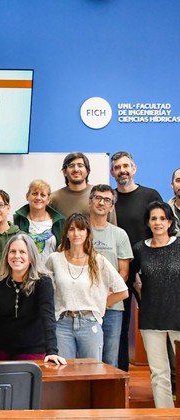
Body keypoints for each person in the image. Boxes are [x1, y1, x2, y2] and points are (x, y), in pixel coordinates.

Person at [45, 213, 128, 360]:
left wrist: (100, 305)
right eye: (72, 229)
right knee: (63, 369)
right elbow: (44, 287)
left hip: (89, 323)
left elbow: (122, 291)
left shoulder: (98, 260)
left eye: (81, 229)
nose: (76, 233)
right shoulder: (55, 259)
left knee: (92, 369)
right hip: (62, 323)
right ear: (66, 233)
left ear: (87, 233)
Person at [110, 151, 163, 371]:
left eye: (125, 166)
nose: (122, 171)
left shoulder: (150, 195)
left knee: (156, 324)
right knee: (119, 327)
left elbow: (160, 230)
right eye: (117, 168)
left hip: (147, 269)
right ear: (112, 172)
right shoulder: (109, 199)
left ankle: (165, 374)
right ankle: (121, 375)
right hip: (118, 271)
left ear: (134, 168)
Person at [0, 234, 66, 365]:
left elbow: (47, 316)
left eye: (22, 252)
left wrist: (52, 351)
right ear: (6, 256)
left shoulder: (43, 282)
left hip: (32, 349)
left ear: (31, 257)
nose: (17, 256)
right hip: (0, 348)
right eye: (12, 251)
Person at [132, 201, 180, 408]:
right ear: (148, 222)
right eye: (153, 219)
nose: (158, 223)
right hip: (151, 318)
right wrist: (141, 299)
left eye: (162, 218)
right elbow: (130, 279)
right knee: (159, 373)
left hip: (178, 317)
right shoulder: (140, 249)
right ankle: (165, 414)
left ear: (170, 222)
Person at [88, 184, 132, 368]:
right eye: (97, 198)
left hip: (112, 306)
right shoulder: (79, 231)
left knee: (110, 360)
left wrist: (107, 297)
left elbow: (124, 272)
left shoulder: (119, 234)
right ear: (90, 201)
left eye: (107, 200)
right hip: (86, 306)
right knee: (87, 360)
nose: (101, 203)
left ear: (112, 206)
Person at [50, 152, 116, 223]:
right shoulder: (53, 198)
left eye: (80, 165)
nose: (76, 169)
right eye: (71, 166)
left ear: (87, 171)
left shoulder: (101, 195)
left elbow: (112, 227)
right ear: (64, 172)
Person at [13, 179, 65, 263]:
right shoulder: (17, 220)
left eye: (43, 195)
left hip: (52, 270)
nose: (38, 198)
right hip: (26, 270)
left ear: (48, 199)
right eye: (34, 194)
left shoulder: (60, 222)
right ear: (27, 196)